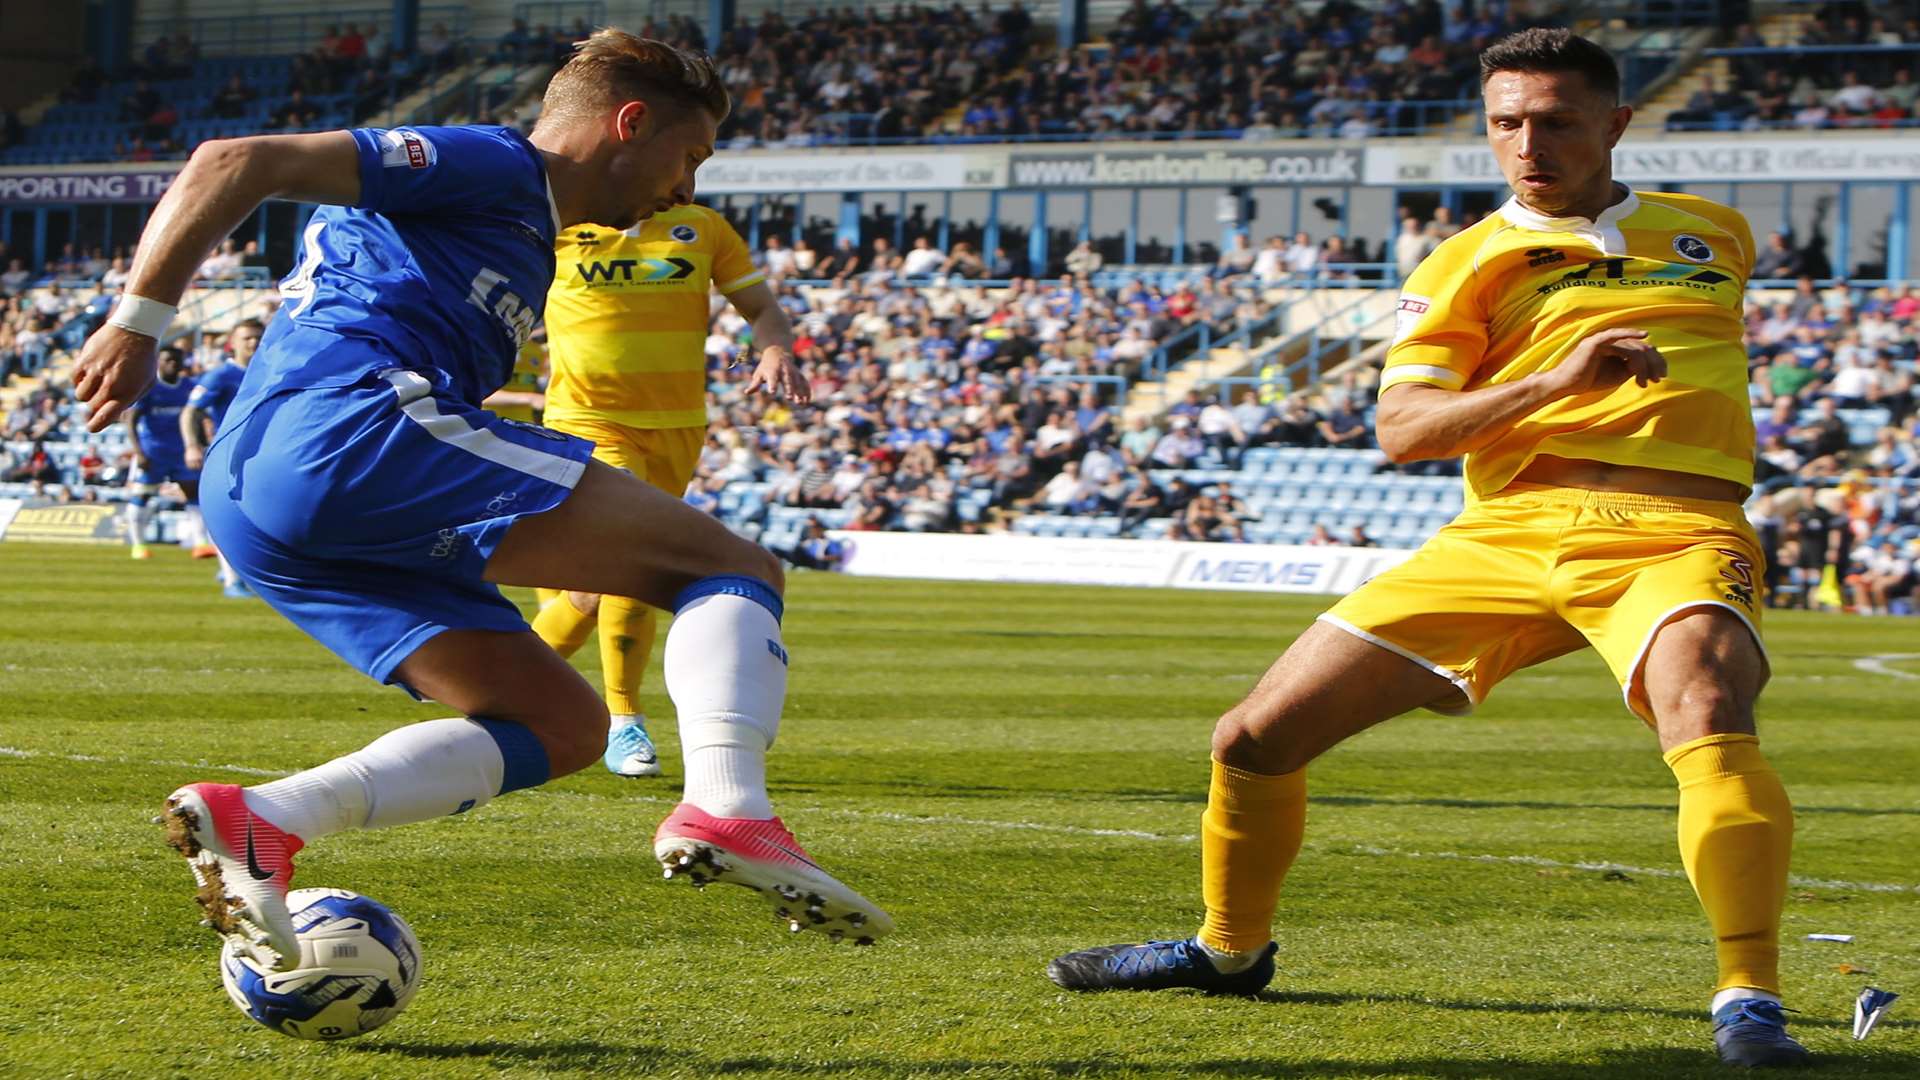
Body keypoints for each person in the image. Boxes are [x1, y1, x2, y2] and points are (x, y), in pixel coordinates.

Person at [1047, 29, 1806, 1069]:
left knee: (1709, 711)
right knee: (1251, 739)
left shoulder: (1714, 235)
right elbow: (1403, 432)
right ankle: (1229, 952)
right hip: (1503, 532)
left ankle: (1750, 1001)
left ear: (1617, 124)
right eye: (1506, 123)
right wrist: (1555, 382)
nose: (1527, 143)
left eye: (1555, 120)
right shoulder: (1462, 261)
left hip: (1674, 532)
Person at [71, 31, 891, 979]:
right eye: (689, 155)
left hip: (262, 496)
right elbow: (237, 160)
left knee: (562, 728)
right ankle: (728, 806)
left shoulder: (527, 230)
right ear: (630, 123)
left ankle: (264, 821)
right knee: (735, 567)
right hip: (348, 429)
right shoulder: (500, 165)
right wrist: (138, 322)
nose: (686, 188)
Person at [531, 193, 804, 778]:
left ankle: (515, 677)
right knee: (630, 558)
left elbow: (760, 308)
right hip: (585, 421)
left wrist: (775, 348)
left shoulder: (701, 228)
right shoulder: (558, 227)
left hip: (678, 426)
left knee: (592, 588)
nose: (685, 175)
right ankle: (623, 719)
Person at [180, 318, 262, 594]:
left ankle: (235, 569)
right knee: (230, 517)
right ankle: (232, 580)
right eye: (247, 338)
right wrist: (193, 445)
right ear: (232, 343)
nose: (254, 343)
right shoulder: (220, 376)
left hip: (266, 455)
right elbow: (191, 411)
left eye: (258, 337)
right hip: (229, 455)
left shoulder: (271, 370)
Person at [122, 345, 199, 560]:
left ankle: (201, 543)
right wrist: (139, 452)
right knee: (143, 494)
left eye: (176, 360)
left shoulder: (190, 387)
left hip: (181, 451)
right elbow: (131, 421)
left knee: (193, 492)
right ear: (158, 362)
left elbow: (197, 417)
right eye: (167, 360)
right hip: (153, 452)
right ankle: (138, 545)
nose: (173, 364)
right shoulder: (149, 387)